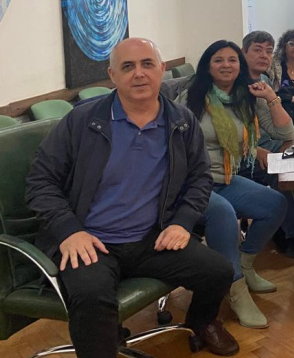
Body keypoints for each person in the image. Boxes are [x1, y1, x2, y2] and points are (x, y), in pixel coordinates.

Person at [25, 38, 239, 357]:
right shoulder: (81, 121)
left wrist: (182, 222)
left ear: (161, 70)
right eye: (127, 67)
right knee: (92, 296)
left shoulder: (181, 122)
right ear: (112, 76)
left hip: (151, 238)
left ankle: (203, 321)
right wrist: (69, 231)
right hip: (91, 240)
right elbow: (40, 182)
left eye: (147, 64)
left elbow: (199, 179)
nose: (138, 73)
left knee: (218, 271)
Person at [180, 40, 292, 329]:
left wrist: (270, 96)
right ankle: (235, 288)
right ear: (207, 66)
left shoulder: (246, 97)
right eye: (218, 60)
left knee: (275, 203)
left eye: (232, 60)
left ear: (240, 66)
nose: (226, 65)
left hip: (226, 179)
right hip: (193, 185)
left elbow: (285, 131)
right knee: (223, 213)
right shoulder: (191, 98)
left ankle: (245, 264)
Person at [240, 31, 294, 263]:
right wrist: (253, 150)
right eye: (257, 50)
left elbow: (284, 133)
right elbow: (225, 133)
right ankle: (292, 235)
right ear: (244, 52)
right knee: (280, 171)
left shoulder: (263, 81)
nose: (264, 55)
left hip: (268, 143)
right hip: (241, 154)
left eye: (268, 51)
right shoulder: (234, 86)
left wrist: (272, 98)